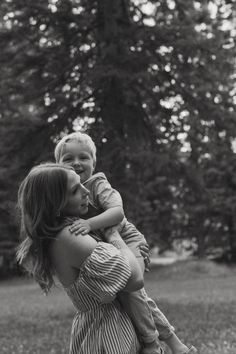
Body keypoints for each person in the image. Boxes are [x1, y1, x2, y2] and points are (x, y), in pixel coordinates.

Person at [54, 132, 197, 354]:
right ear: (58, 166)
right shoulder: (64, 197)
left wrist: (90, 224)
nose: (76, 163)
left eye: (83, 157)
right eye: (68, 159)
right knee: (133, 295)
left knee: (133, 290)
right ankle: (175, 344)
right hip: (112, 247)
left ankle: (152, 345)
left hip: (127, 239)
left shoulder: (97, 183)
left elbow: (117, 213)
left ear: (94, 162)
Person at [16, 163, 149, 354]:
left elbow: (129, 270)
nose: (86, 191)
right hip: (106, 332)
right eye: (74, 190)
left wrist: (135, 252)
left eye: (82, 183)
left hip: (108, 325)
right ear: (54, 204)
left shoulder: (67, 233)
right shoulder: (70, 238)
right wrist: (114, 236)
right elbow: (134, 279)